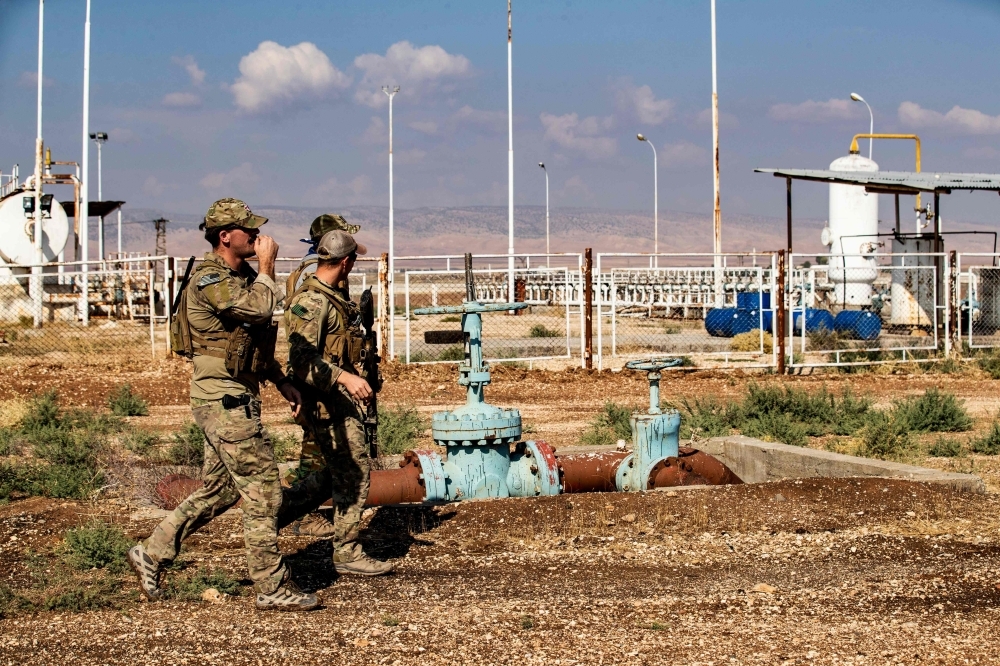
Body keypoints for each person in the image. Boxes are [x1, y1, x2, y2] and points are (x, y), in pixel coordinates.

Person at [128, 198, 318, 611]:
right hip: (223, 398)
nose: (256, 236)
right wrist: (268, 269)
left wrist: (281, 381)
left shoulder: (241, 276)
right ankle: (271, 586)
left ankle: (151, 552)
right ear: (224, 236)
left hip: (235, 394)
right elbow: (258, 307)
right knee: (264, 492)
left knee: (219, 490)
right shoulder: (211, 279)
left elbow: (251, 344)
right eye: (247, 230)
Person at [278, 229, 393, 576]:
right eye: (354, 260)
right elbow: (301, 360)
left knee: (334, 475)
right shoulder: (313, 302)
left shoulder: (331, 296)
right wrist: (346, 378)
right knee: (355, 469)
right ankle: (346, 551)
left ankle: (270, 518)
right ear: (346, 262)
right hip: (326, 400)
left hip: (335, 397)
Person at [284, 213, 361, 538]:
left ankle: (295, 513)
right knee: (322, 458)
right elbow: (303, 355)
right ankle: (287, 514)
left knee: (325, 459)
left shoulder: (330, 289)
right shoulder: (314, 294)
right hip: (319, 389)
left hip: (330, 386)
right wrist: (345, 378)